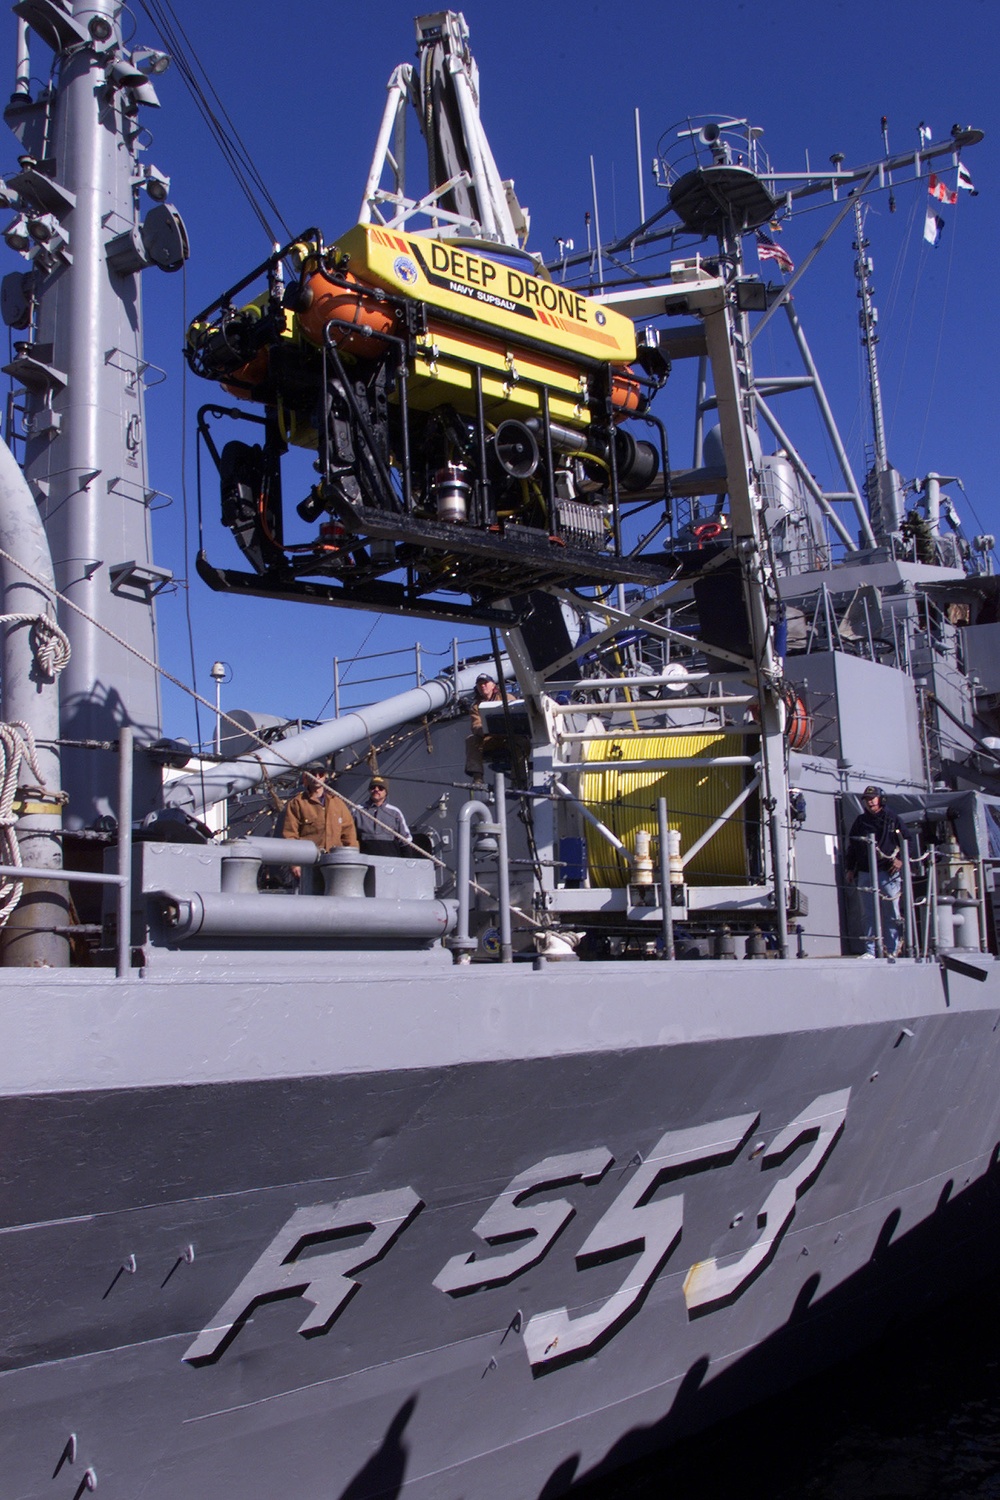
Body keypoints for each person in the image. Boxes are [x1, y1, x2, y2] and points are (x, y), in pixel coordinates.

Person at [845, 785, 905, 956]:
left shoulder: (892, 819)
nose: (870, 801)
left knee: (891, 912)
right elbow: (853, 846)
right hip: (865, 871)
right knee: (868, 914)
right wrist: (850, 868)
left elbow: (906, 840)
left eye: (873, 798)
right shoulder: (860, 821)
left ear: (881, 799)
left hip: (888, 871)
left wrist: (900, 860)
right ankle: (870, 951)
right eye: (867, 799)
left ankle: (893, 950)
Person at [281, 768, 358, 881]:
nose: (317, 777)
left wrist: (352, 861)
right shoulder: (298, 803)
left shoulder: (338, 803)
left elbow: (349, 833)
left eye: (320, 774)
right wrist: (294, 864)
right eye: (313, 773)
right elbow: (290, 835)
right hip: (308, 863)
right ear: (306, 777)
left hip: (334, 863)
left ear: (325, 776)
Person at [356, 776, 411, 856]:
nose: (376, 790)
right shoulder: (357, 811)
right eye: (373, 787)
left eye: (380, 788)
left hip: (390, 861)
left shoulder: (395, 813)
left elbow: (405, 840)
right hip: (364, 862)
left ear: (386, 792)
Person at [465, 673, 504, 781]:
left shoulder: (507, 698)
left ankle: (518, 779)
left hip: (508, 737)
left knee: (521, 742)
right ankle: (477, 778)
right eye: (479, 684)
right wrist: (485, 729)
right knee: (472, 740)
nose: (482, 686)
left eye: (485, 683)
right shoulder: (475, 707)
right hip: (489, 738)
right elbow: (476, 725)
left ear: (493, 685)